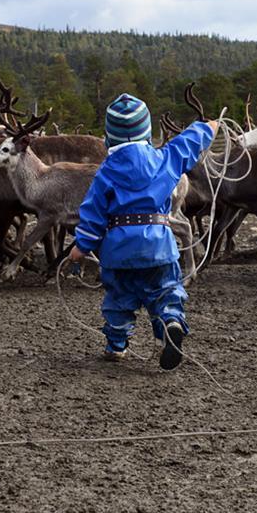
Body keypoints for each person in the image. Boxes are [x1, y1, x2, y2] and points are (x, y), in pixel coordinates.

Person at [70, 93, 216, 370]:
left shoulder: (106, 172)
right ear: (147, 131)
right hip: (159, 245)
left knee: (119, 299)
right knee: (166, 292)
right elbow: (189, 142)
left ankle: (117, 345)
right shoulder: (166, 158)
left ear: (109, 136)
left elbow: (93, 212)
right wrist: (209, 127)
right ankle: (170, 323)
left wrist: (82, 246)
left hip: (118, 250)